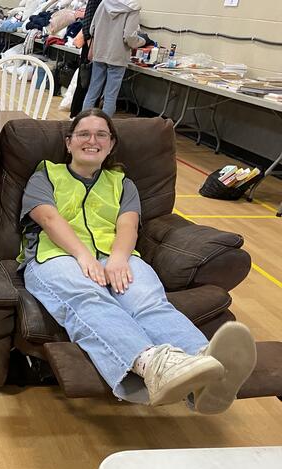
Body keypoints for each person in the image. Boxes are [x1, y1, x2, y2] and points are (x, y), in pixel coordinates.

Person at [18, 109, 257, 413]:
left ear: (111, 144)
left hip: (116, 255)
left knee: (148, 302)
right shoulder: (46, 175)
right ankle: (151, 366)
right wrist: (83, 256)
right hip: (55, 256)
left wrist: (118, 259)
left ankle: (204, 365)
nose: (92, 140)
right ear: (69, 143)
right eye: (84, 134)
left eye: (101, 134)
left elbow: (127, 226)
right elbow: (48, 218)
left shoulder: (123, 184)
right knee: (90, 298)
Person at [82, 0, 145, 117]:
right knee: (110, 96)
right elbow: (129, 36)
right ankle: (104, 128)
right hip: (118, 56)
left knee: (92, 92)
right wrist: (142, 41)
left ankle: (83, 122)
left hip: (100, 52)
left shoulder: (103, 3)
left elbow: (92, 29)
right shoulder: (133, 8)